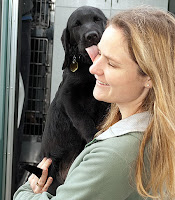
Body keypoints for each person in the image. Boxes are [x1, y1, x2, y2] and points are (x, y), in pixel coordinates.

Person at [13, 6, 175, 200]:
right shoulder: (156, 133)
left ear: (149, 76)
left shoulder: (115, 155)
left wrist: (26, 191)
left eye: (112, 63)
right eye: (99, 55)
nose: (93, 69)